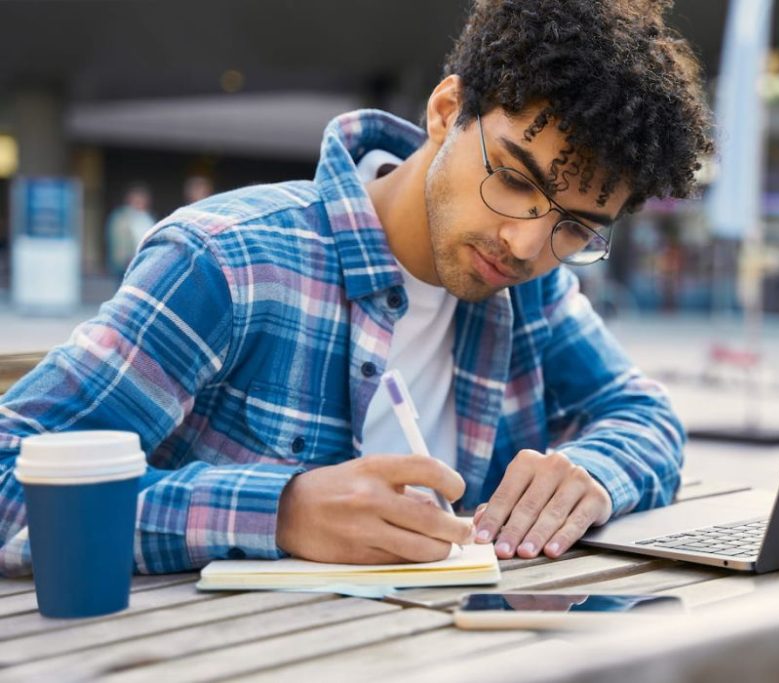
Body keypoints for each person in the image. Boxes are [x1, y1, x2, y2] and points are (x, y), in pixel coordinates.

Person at [0, 0, 712, 575]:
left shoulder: (532, 293)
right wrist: (278, 512)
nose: (527, 243)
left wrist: (590, 472)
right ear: (444, 111)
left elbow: (647, 418)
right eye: (516, 180)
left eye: (576, 228)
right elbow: (11, 478)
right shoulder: (227, 262)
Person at [104, 183, 156, 280]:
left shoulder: (148, 217)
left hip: (145, 261)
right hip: (125, 263)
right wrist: (126, 257)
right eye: (136, 199)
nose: (139, 202)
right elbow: (117, 239)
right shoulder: (121, 217)